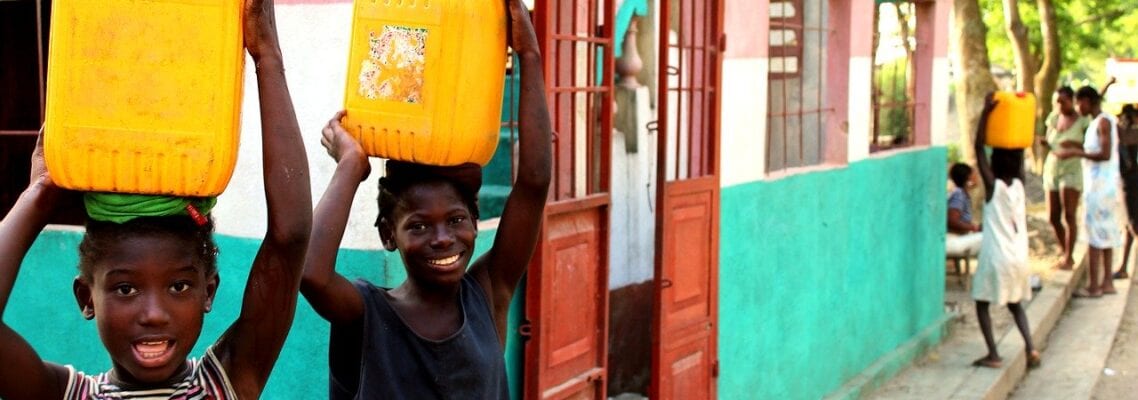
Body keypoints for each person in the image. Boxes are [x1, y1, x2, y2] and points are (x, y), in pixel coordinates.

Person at [0, 0, 314, 397]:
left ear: (209, 292)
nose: (153, 314)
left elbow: (290, 238)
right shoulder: (65, 394)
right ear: (86, 297)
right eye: (126, 289)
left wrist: (267, 57)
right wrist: (40, 194)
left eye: (180, 286)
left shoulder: (227, 382)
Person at [299, 0, 551, 397]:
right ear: (387, 235)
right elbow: (311, 274)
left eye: (455, 220)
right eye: (418, 225)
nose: (442, 238)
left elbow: (534, 182)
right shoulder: (365, 314)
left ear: (474, 219)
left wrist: (529, 55)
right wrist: (351, 165)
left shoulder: (488, 293)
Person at [970, 94, 1040, 369]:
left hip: (996, 257)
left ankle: (993, 354)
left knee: (981, 303)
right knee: (1015, 305)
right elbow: (1020, 151)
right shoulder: (1020, 187)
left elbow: (978, 148)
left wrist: (987, 113)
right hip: (1020, 258)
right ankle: (1031, 349)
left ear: (995, 164)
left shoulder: (994, 188)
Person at [1054, 86, 1122, 297]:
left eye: (1078, 102)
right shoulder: (1099, 122)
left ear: (1086, 101)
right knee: (1105, 234)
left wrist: (1076, 152)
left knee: (1094, 237)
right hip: (1103, 187)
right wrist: (1075, 145)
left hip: (1100, 188)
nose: (1077, 107)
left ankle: (1094, 286)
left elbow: (1104, 153)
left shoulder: (1102, 121)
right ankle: (1107, 282)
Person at [1041, 86, 1091, 270]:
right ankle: (1065, 253)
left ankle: (1069, 257)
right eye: (1057, 102)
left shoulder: (1083, 121)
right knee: (1053, 216)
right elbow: (1050, 140)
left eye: (1063, 101)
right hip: (1052, 168)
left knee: (1069, 214)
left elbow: (1092, 148)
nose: (1060, 105)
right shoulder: (1054, 118)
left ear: (1071, 100)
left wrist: (1074, 146)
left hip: (1072, 169)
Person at [1115, 104, 1138, 279]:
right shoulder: (1122, 133)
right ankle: (1123, 267)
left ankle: (1123, 267)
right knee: (1128, 225)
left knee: (1133, 225)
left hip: (1132, 184)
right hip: (1127, 183)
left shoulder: (1129, 134)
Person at [947, 163, 982, 258]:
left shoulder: (963, 193)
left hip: (958, 238)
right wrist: (973, 228)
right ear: (968, 178)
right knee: (988, 237)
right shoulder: (959, 194)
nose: (977, 177)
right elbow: (952, 221)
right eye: (974, 174)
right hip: (953, 241)